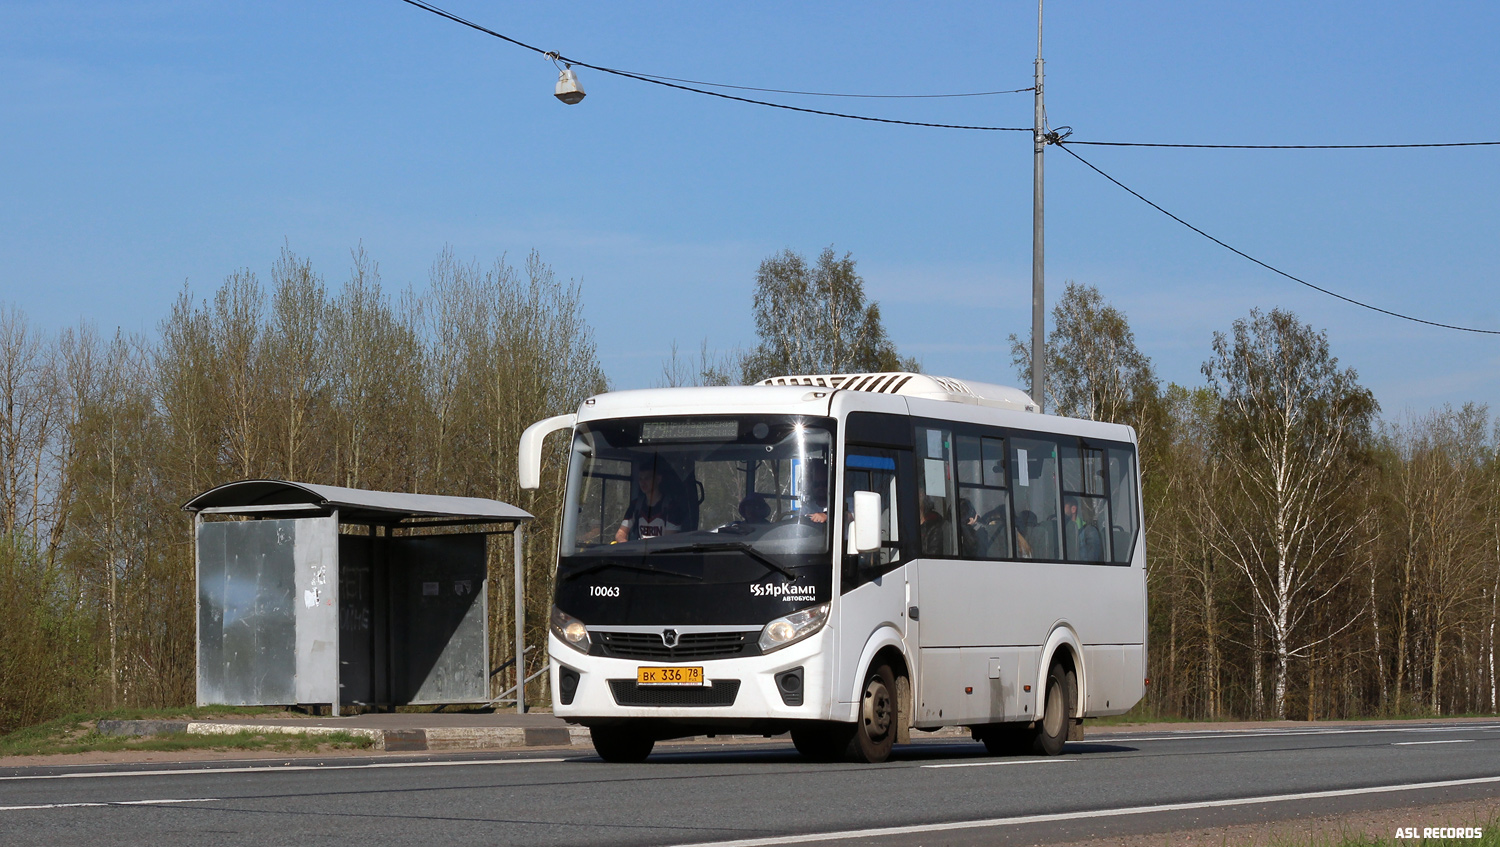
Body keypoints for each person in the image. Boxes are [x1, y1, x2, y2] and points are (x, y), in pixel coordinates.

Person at [614, 462, 687, 542]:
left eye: (647, 478)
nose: (643, 483)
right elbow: (620, 534)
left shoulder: (671, 507)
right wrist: (627, 545)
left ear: (658, 479)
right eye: (640, 479)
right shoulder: (636, 505)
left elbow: (669, 541)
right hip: (639, 549)